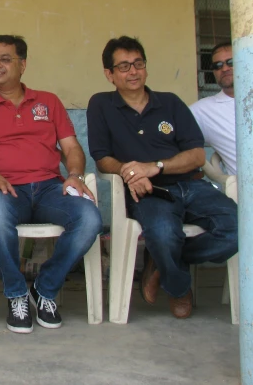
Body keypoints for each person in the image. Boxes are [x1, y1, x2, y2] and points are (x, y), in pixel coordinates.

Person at [0, 35, 101, 334]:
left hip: (50, 188)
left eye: (5, 59)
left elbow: (72, 148)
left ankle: (45, 288)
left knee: (89, 218)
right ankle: (16, 293)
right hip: (6, 189)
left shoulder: (48, 102)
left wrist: (74, 174)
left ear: (22, 64)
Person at [87, 36, 238, 319]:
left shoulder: (170, 103)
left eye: (138, 64)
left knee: (241, 228)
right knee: (164, 235)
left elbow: (196, 156)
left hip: (192, 185)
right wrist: (131, 173)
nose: (133, 71)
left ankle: (163, 261)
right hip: (149, 193)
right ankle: (179, 288)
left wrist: (155, 166)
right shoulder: (101, 105)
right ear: (109, 74)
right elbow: (102, 158)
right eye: (123, 66)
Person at [190, 41, 236, 175]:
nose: (225, 68)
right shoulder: (203, 110)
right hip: (246, 192)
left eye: (231, 62)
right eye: (218, 65)